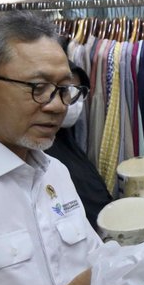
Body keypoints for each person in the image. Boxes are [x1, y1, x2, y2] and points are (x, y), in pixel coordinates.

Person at [0, 10, 101, 285]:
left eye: (65, 89)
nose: (57, 105)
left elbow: (94, 265)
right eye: (38, 87)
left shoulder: (55, 172)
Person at [46, 61, 112, 231]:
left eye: (74, 91)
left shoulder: (63, 141)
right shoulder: (38, 153)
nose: (61, 104)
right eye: (40, 88)